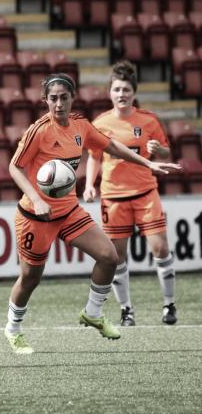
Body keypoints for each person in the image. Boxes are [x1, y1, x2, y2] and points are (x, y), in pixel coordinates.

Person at [3, 73, 181, 355]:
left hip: (69, 211)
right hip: (36, 217)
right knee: (30, 278)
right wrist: (37, 199)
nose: (58, 104)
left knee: (109, 257)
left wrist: (148, 163)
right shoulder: (38, 130)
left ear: (72, 98)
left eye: (64, 97)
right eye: (53, 98)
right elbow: (14, 167)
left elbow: (110, 146)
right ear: (45, 100)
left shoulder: (81, 126)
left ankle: (93, 312)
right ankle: (13, 329)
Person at [83, 60, 178, 326]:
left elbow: (166, 152)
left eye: (125, 89)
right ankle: (127, 310)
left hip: (146, 193)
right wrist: (90, 184)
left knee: (160, 248)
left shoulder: (148, 120)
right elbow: (95, 157)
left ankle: (169, 305)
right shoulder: (100, 123)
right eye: (116, 89)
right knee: (117, 257)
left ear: (133, 92)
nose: (121, 94)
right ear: (109, 92)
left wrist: (158, 150)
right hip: (113, 197)